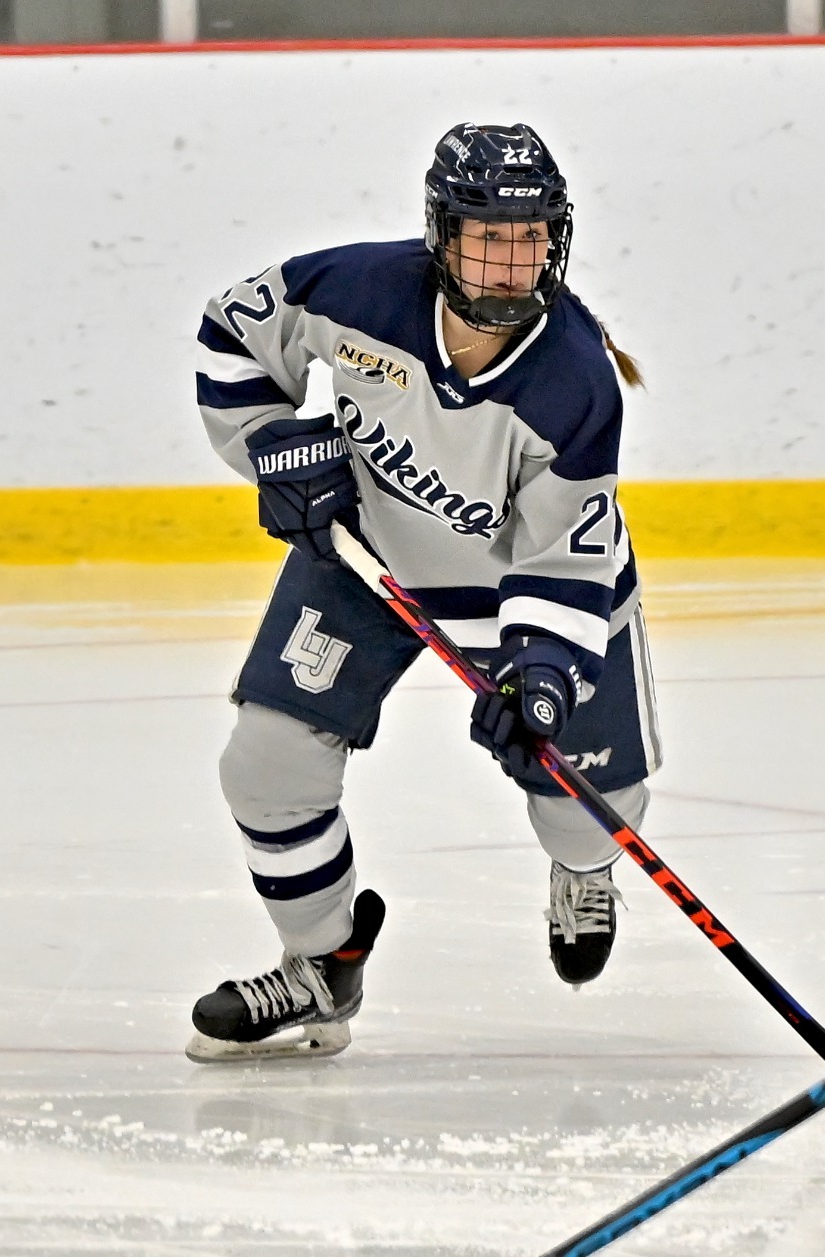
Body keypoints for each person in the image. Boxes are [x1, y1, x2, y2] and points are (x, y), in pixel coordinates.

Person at [183, 122, 659, 1062]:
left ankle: (583, 868)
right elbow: (231, 334)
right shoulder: (355, 291)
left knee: (591, 807)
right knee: (267, 766)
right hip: (370, 558)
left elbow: (565, 553)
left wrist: (542, 680)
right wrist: (273, 447)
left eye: (531, 238)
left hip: (526, 589)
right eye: (489, 236)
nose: (512, 262)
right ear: (441, 235)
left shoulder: (574, 380)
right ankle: (321, 967)